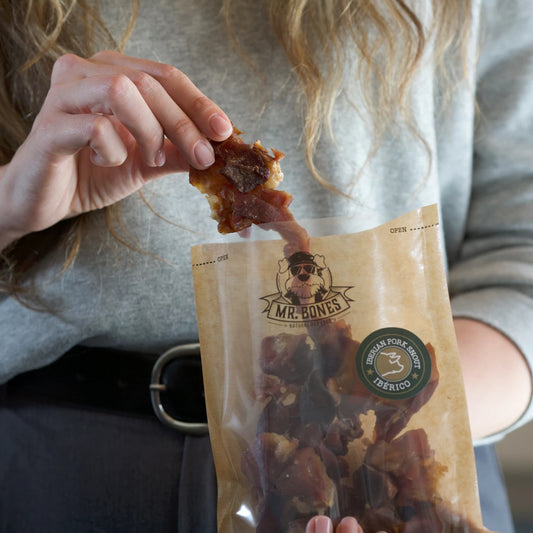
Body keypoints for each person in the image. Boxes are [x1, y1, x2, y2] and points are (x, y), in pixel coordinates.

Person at [0, 0, 532, 532]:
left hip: (392, 470)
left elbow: (518, 251)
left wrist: (381, 437)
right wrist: (9, 212)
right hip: (62, 470)